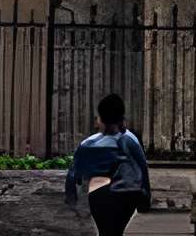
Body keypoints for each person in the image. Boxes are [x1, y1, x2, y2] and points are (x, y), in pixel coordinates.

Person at [64, 94, 151, 236]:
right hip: (128, 194)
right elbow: (142, 169)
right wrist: (145, 197)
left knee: (106, 231)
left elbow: (74, 174)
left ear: (100, 119)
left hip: (99, 196)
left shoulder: (88, 144)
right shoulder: (131, 140)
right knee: (116, 230)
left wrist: (71, 197)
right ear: (122, 117)